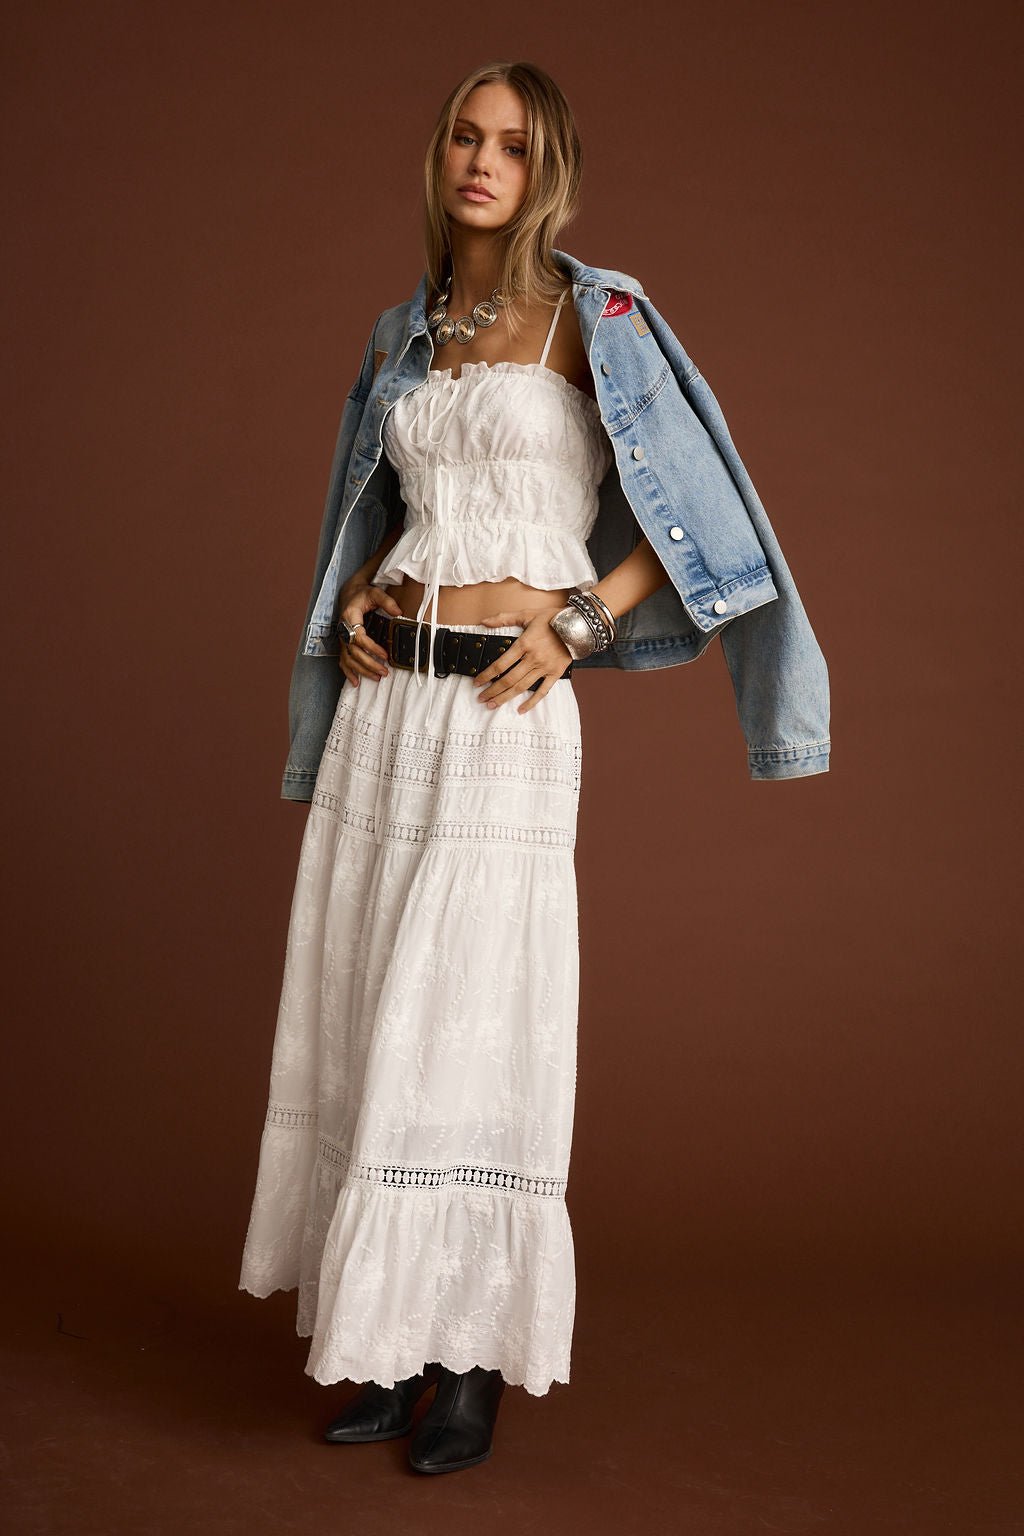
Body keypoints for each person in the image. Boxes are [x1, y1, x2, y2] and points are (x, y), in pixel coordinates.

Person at [238, 60, 830, 1477]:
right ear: (438, 155)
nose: (482, 161)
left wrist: (578, 619)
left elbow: (713, 528)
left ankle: (469, 1367)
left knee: (476, 1016)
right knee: (377, 1001)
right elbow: (385, 515)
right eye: (464, 134)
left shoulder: (595, 317)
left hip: (506, 720)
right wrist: (363, 603)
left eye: (512, 143)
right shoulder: (406, 332)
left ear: (546, 167)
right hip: (395, 715)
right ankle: (383, 1337)